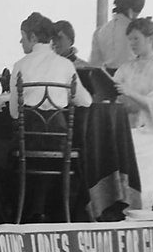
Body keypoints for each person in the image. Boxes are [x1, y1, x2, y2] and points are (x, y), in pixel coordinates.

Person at [9, 13, 92, 222]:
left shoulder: (20, 65)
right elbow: (86, 101)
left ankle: (24, 212)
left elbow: (13, 112)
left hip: (28, 142)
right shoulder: (65, 65)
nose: (21, 42)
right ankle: (52, 211)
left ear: (34, 37)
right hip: (58, 142)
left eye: (23, 37)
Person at [113, 17, 153, 210]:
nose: (132, 44)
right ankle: (111, 204)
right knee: (108, 144)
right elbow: (115, 91)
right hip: (129, 127)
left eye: (136, 39)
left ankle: (136, 206)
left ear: (149, 38)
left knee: (125, 149)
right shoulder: (127, 67)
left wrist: (130, 93)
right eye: (129, 39)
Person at [90, 0, 145, 71]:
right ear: (131, 9)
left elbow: (94, 66)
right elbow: (152, 60)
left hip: (106, 82)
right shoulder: (137, 31)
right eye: (138, 11)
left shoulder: (99, 31)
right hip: (131, 81)